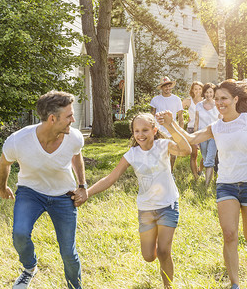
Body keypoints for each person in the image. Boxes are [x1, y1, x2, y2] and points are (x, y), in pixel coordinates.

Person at [157, 80, 247, 289]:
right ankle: (234, 283)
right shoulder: (215, 127)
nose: (219, 102)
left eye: (224, 98)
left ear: (236, 99)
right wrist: (170, 124)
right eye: (217, 99)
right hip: (226, 184)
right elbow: (190, 139)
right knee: (229, 234)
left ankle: (240, 258)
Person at [73, 113, 191, 289]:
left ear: (154, 130)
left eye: (145, 130)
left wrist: (171, 126)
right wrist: (87, 193)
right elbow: (110, 178)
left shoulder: (163, 145)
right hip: (146, 210)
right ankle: (158, 246)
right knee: (149, 256)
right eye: (136, 131)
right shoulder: (132, 154)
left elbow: (187, 150)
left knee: (164, 252)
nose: (140, 134)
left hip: (168, 205)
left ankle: (168, 286)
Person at [0, 91, 87, 289]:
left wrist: (82, 186)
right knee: (20, 234)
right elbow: (4, 164)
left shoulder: (74, 137)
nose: (73, 119)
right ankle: (29, 268)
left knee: (68, 253)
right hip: (31, 192)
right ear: (52, 119)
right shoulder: (18, 140)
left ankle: (75, 287)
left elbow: (76, 156)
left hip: (64, 195)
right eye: (69, 116)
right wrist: (2, 187)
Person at [150, 76, 184, 172]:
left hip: (173, 130)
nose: (167, 88)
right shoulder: (155, 100)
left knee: (173, 154)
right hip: (160, 131)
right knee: (160, 154)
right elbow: (151, 116)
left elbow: (181, 118)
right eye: (165, 86)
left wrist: (180, 131)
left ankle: (170, 172)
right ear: (161, 88)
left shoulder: (177, 99)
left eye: (169, 86)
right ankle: (160, 172)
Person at [194, 83, 221, 186]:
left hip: (214, 135)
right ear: (204, 93)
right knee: (205, 158)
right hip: (202, 135)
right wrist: (195, 138)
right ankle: (210, 178)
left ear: (213, 93)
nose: (208, 94)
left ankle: (206, 186)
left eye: (210, 92)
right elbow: (196, 122)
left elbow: (220, 121)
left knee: (210, 159)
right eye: (206, 92)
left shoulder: (218, 104)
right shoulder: (199, 105)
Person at [182, 81, 204, 180]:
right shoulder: (188, 101)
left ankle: (200, 170)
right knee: (194, 154)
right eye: (195, 89)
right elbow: (178, 111)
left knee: (205, 154)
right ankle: (195, 176)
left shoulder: (205, 100)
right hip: (191, 129)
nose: (198, 91)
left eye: (200, 89)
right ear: (192, 90)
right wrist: (185, 118)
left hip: (203, 129)